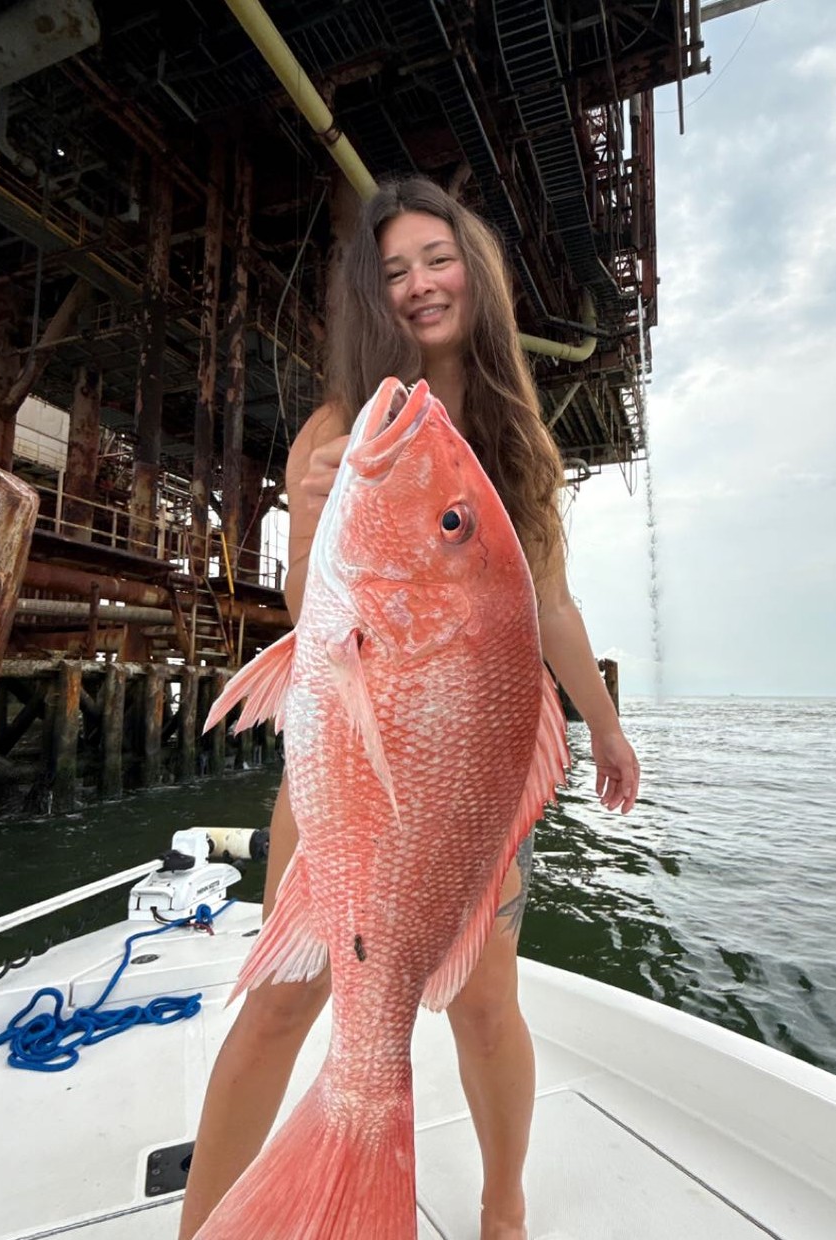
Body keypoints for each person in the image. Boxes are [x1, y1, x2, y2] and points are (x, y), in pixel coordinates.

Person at [178, 177, 641, 1240]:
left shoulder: (515, 437)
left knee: (484, 1001)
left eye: (439, 259)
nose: (421, 284)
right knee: (282, 997)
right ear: (371, 297)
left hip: (470, 759)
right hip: (355, 751)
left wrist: (604, 726)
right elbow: (310, 610)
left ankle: (501, 1205)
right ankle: (202, 1227)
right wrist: (312, 509)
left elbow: (552, 602)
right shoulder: (343, 427)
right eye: (394, 271)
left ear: (475, 274)